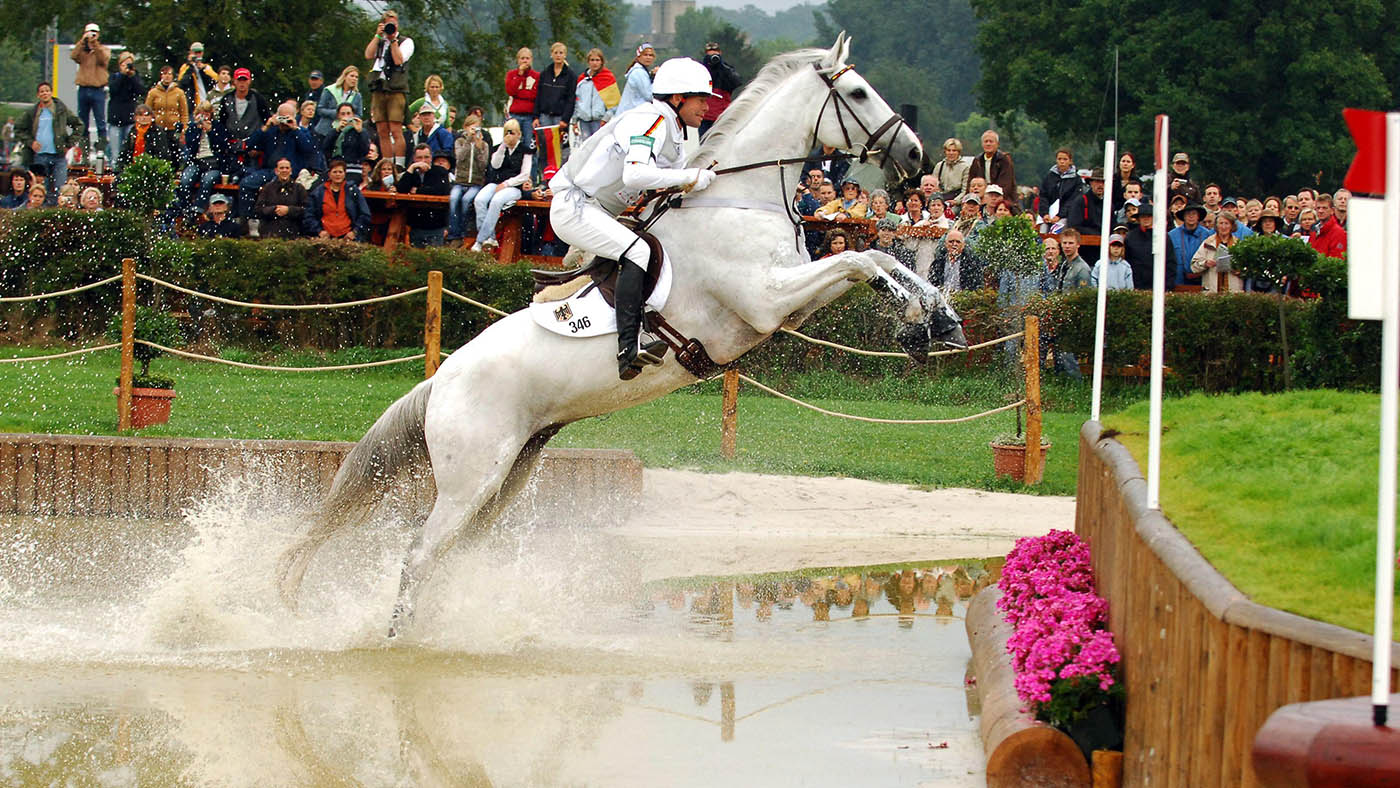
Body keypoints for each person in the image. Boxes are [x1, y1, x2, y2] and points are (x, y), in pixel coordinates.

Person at [548, 56, 718, 379]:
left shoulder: (675, 134)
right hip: (576, 206)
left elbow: (665, 186)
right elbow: (636, 175)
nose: (706, 107)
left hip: (597, 211)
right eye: (700, 99)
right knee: (638, 251)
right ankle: (629, 348)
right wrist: (688, 178)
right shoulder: (652, 120)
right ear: (678, 98)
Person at [239, 100, 317, 218]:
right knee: (246, 184)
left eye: (287, 118)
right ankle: (248, 219)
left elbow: (309, 149)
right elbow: (249, 145)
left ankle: (275, 222)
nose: (284, 121)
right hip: (269, 170)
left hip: (290, 172)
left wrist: (295, 128)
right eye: (282, 117)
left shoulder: (301, 131)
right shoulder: (270, 131)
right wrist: (266, 127)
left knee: (275, 186)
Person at [471, 119, 532, 252]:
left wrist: (506, 184)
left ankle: (480, 240)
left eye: (513, 133)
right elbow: (495, 165)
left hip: (514, 187)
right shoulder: (500, 148)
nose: (510, 135)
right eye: (507, 132)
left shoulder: (525, 151)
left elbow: (525, 175)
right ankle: (490, 237)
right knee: (479, 200)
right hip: (496, 182)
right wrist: (503, 146)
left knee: (496, 201)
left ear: (519, 134)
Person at [15, 82, 81, 204]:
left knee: (60, 189)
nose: (45, 93)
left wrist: (69, 144)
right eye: (42, 91)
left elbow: (79, 125)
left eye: (47, 91)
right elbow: (18, 128)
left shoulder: (61, 109)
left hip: (59, 156)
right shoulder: (33, 112)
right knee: (40, 189)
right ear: (38, 95)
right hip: (40, 156)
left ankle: (57, 214)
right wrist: (31, 142)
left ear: (51, 93)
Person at [365, 9, 415, 166]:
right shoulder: (380, 41)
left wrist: (393, 40)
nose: (390, 27)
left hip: (395, 88)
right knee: (382, 130)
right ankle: (387, 165)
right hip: (379, 87)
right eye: (388, 24)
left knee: (395, 128)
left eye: (393, 23)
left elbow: (399, 60)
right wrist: (377, 36)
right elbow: (368, 54)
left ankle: (398, 165)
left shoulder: (406, 41)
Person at [179, 101, 233, 219]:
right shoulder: (193, 128)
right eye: (201, 114)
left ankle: (198, 210)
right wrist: (198, 130)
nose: (204, 117)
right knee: (185, 180)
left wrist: (210, 131)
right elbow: (190, 147)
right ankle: (184, 208)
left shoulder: (218, 126)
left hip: (214, 164)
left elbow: (223, 147)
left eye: (207, 114)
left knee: (207, 180)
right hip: (197, 162)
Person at [396, 145, 453, 246]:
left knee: (434, 259)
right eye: (419, 158)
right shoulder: (411, 173)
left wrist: (417, 190)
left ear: (431, 158)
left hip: (436, 224)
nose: (423, 160)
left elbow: (441, 190)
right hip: (416, 224)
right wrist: (411, 168)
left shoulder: (440, 171)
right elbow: (401, 190)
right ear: (414, 159)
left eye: (426, 157)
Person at [305, 159, 371, 240]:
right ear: (329, 174)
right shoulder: (318, 192)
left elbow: (365, 214)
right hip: (325, 238)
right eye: (335, 172)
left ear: (345, 174)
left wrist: (355, 232)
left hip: (348, 238)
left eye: (340, 172)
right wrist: (319, 231)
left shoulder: (353, 191)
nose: (338, 175)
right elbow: (309, 215)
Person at [448, 115, 490, 242]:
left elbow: (483, 164)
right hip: (460, 181)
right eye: (471, 127)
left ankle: (463, 231)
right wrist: (468, 142)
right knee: (454, 199)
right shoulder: (459, 142)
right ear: (465, 128)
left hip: (475, 183)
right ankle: (454, 233)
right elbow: (459, 157)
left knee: (466, 201)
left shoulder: (484, 145)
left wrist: (478, 146)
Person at [70, 23, 110, 153]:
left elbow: (103, 59)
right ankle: (84, 152)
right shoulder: (82, 52)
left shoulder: (103, 49)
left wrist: (95, 45)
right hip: (83, 89)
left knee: (100, 121)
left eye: (94, 33)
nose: (92, 35)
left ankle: (102, 149)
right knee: (82, 122)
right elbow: (73, 56)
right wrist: (83, 41)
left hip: (97, 90)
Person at [1122, 203, 1176, 290]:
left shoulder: (1163, 236)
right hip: (1136, 285)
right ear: (1138, 218)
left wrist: (1167, 286)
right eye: (1143, 216)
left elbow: (1170, 262)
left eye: (1149, 216)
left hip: (1160, 285)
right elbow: (1127, 262)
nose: (1146, 219)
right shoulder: (1130, 237)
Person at [254, 157, 308, 238]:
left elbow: (306, 210)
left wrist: (289, 210)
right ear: (276, 171)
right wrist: (274, 209)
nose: (284, 170)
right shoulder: (267, 188)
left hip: (293, 234)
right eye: (281, 168)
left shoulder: (299, 188)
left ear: (291, 171)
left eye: (287, 168)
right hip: (270, 233)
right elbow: (258, 209)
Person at [216, 68, 272, 144]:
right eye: (239, 80)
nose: (242, 83)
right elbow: (222, 123)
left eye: (245, 80)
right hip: (231, 144)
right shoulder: (226, 99)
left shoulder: (258, 98)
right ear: (234, 81)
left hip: (254, 143)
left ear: (249, 81)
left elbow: (266, 119)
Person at [573, 48, 618, 141]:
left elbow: (614, 103)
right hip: (584, 120)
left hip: (599, 120)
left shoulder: (607, 78)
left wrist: (606, 118)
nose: (595, 63)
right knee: (586, 147)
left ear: (602, 62)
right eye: (592, 60)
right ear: (588, 62)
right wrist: (574, 120)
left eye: (597, 60)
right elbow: (577, 100)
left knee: (598, 147)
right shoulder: (582, 80)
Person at [107, 52, 144, 163]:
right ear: (120, 65)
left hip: (129, 119)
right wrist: (123, 75)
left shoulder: (134, 77)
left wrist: (132, 77)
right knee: (116, 152)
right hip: (115, 118)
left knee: (129, 151)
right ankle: (115, 173)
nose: (127, 67)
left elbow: (140, 91)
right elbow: (113, 90)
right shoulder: (114, 77)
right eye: (125, 64)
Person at [1192, 212, 1242, 292]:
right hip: (1211, 291)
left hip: (1233, 291)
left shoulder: (1239, 244)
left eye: (1227, 223)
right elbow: (1194, 266)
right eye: (1221, 223)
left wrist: (1237, 269)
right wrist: (1205, 263)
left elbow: (1246, 270)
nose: (1223, 227)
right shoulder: (1208, 243)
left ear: (1232, 226)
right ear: (1216, 226)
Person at [698, 42, 741, 137]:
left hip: (722, 117)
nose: (713, 55)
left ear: (720, 53)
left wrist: (721, 65)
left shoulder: (725, 69)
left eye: (715, 53)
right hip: (705, 117)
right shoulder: (701, 70)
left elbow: (736, 82)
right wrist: (705, 65)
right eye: (709, 53)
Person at [322, 103, 371, 184]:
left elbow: (365, 150)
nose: (346, 116)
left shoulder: (360, 131)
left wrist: (360, 132)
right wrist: (337, 131)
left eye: (348, 113)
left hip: (353, 169)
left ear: (353, 115)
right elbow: (326, 148)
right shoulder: (334, 130)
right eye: (343, 114)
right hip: (336, 169)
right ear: (338, 116)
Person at [535, 43, 576, 136]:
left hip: (560, 117)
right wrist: (536, 117)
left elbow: (571, 99)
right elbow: (539, 96)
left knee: (557, 147)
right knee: (544, 146)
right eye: (556, 52)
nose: (558, 55)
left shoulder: (571, 76)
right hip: (544, 116)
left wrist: (565, 119)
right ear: (551, 54)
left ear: (565, 55)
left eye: (561, 53)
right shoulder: (545, 74)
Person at [1167, 201, 1211, 287]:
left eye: (1194, 213)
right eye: (1188, 213)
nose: (1191, 216)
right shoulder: (1172, 235)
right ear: (1183, 216)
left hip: (1202, 281)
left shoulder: (1208, 235)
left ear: (1198, 216)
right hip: (1178, 281)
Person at [968, 129, 1016, 203]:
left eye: (991, 141)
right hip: (980, 196)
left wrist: (990, 196)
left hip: (1000, 196)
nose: (988, 144)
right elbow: (971, 181)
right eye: (986, 141)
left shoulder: (1004, 160)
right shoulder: (977, 161)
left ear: (997, 144)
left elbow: (1006, 184)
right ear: (982, 144)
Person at [1037, 148, 1081, 225]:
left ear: (1070, 161)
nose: (1062, 162)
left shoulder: (1076, 179)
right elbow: (1043, 196)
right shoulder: (1049, 176)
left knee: (1057, 230)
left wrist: (1059, 215)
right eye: (1059, 159)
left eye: (1065, 159)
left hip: (1065, 216)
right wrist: (1045, 213)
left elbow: (1073, 200)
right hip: (1048, 214)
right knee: (1042, 230)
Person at [315, 67, 362, 140]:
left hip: (346, 132)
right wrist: (337, 114)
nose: (354, 79)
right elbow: (320, 109)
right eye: (352, 76)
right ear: (345, 76)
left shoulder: (357, 96)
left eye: (356, 77)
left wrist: (349, 117)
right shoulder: (329, 90)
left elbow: (359, 114)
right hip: (325, 131)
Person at [505, 49, 540, 144]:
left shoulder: (537, 76)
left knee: (528, 144)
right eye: (522, 58)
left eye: (527, 58)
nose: (525, 61)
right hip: (514, 114)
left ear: (531, 60)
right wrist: (520, 75)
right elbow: (510, 91)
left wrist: (519, 94)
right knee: (512, 142)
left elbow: (535, 95)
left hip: (529, 116)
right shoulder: (511, 75)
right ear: (518, 60)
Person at [146, 66, 189, 138]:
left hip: (174, 128)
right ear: (161, 76)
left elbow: (184, 112)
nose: (167, 76)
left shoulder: (179, 92)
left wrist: (184, 127)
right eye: (165, 74)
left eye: (169, 74)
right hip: (157, 128)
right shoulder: (153, 92)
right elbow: (148, 110)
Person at [616, 42, 656, 114]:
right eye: (645, 55)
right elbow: (649, 95)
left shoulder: (643, 71)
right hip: (631, 113)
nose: (648, 57)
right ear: (639, 56)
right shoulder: (639, 72)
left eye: (651, 55)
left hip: (633, 112)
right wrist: (655, 78)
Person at [177, 42, 219, 109]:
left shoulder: (207, 67)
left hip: (206, 105)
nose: (197, 55)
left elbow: (216, 82)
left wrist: (202, 70)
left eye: (199, 52)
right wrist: (191, 66)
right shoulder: (185, 67)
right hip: (192, 106)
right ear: (191, 53)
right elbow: (182, 84)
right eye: (195, 52)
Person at [931, 138, 970, 203]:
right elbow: (933, 185)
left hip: (957, 200)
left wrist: (956, 201)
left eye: (954, 150)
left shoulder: (965, 167)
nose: (951, 153)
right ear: (945, 152)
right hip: (941, 198)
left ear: (959, 152)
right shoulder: (939, 166)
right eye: (949, 150)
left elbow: (965, 190)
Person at [1310, 194, 1347, 258]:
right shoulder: (1314, 230)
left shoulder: (1339, 233)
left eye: (1324, 208)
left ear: (1332, 211)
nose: (1320, 211)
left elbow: (1336, 261)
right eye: (1318, 208)